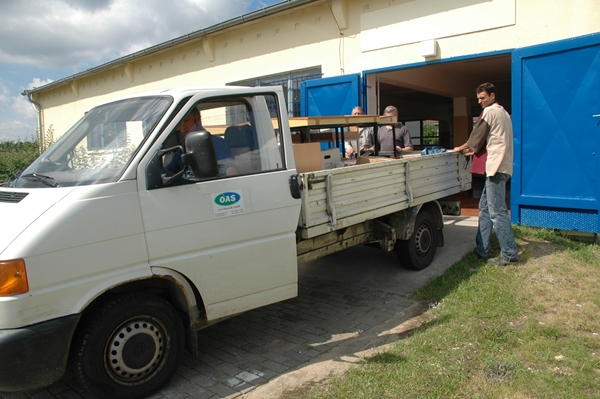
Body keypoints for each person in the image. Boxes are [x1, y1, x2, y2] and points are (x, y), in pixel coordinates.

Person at [454, 82, 518, 266]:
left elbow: (476, 137)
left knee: (497, 212)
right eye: (478, 99)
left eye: (483, 98)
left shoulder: (490, 112)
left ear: (492, 96)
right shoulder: (505, 113)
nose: (480, 101)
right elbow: (495, 139)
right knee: (485, 208)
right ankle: (482, 250)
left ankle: (510, 255)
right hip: (502, 166)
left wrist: (461, 147)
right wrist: (474, 150)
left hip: (496, 168)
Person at [165, 107, 237, 177]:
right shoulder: (182, 151)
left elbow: (230, 170)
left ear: (198, 119)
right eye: (179, 124)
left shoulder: (217, 143)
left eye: (186, 121)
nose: (183, 127)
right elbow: (166, 174)